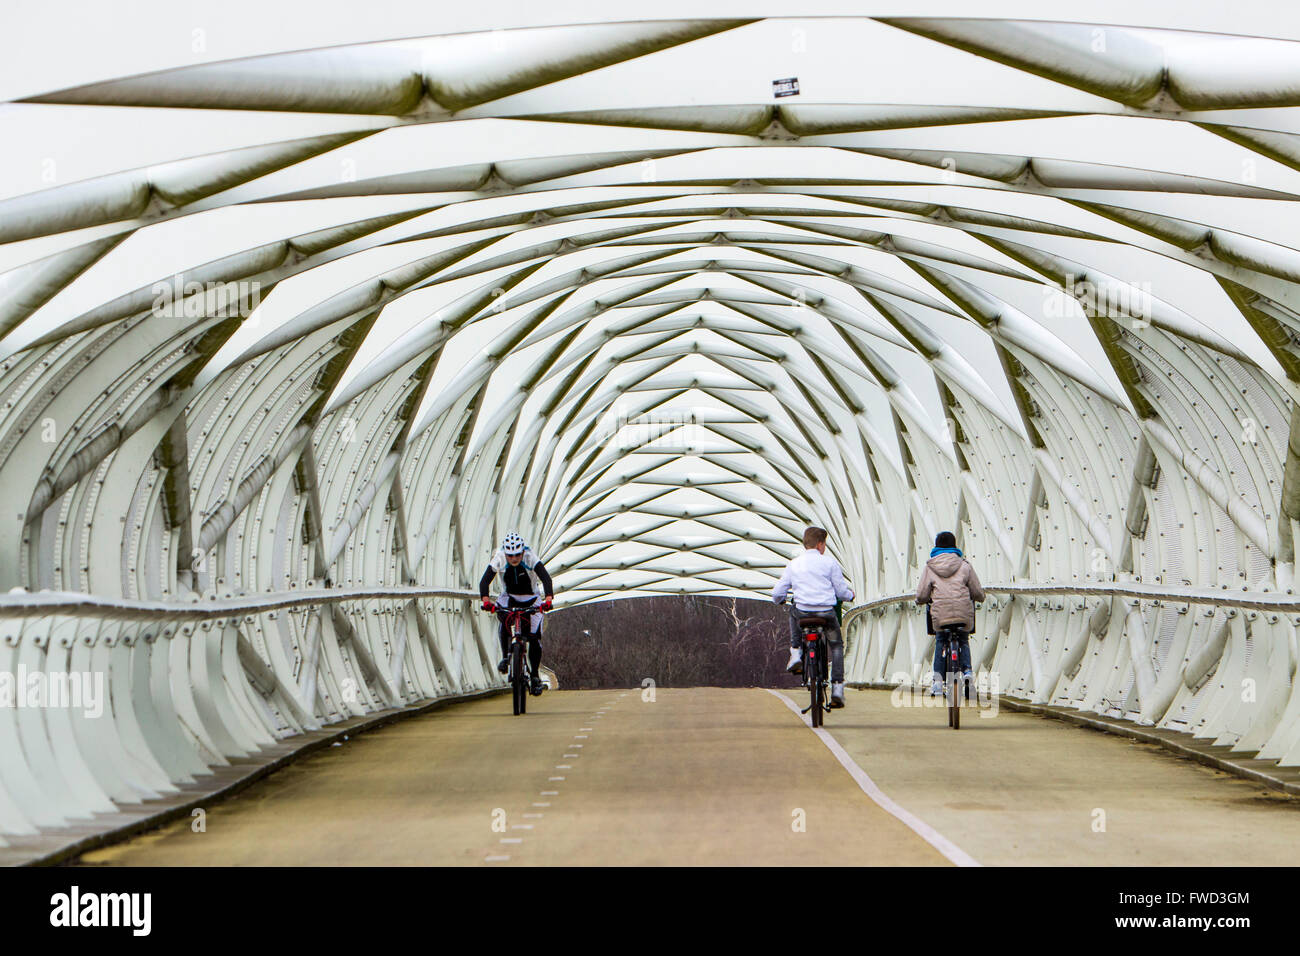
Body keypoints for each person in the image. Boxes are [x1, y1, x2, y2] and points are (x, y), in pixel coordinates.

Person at [772, 526, 855, 708]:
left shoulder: (794, 564)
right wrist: (851, 595)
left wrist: (779, 600)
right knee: (836, 646)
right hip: (826, 613)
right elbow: (841, 592)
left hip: (803, 612)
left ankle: (795, 654)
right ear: (819, 545)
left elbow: (778, 593)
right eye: (824, 544)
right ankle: (838, 688)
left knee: (792, 611)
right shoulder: (830, 563)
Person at [479, 532, 554, 696]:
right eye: (510, 555)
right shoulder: (499, 557)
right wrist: (486, 601)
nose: (514, 559)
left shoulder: (530, 557)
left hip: (531, 598)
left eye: (517, 555)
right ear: (505, 553)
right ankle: (506, 657)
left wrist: (548, 600)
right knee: (503, 618)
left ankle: (535, 676)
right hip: (509, 597)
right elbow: (484, 581)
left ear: (522, 551)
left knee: (534, 637)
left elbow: (546, 579)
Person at [915, 531, 984, 696]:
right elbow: (976, 591)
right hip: (963, 613)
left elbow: (922, 594)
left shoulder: (930, 567)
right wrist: (980, 597)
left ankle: (938, 683)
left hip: (941, 615)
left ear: (936, 546)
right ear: (955, 546)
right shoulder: (965, 565)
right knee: (963, 639)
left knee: (940, 641)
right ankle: (967, 672)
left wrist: (920, 600)